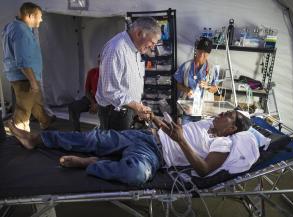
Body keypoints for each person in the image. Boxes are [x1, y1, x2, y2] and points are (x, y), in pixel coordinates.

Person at [8, 109, 253, 186]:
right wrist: (156, 119)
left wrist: (180, 141)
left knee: (135, 174)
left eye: (227, 115)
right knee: (94, 139)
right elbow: (175, 130)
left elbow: (202, 169)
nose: (220, 114)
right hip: (147, 135)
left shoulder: (224, 144)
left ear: (232, 129)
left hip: (155, 155)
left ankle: (92, 163)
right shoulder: (207, 121)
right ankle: (37, 139)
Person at [96, 17, 161, 131]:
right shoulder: (116, 49)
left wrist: (137, 107)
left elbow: (130, 83)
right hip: (115, 113)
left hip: (127, 109)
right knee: (116, 148)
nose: (153, 47)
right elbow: (110, 91)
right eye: (152, 42)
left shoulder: (135, 48)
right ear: (139, 33)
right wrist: (138, 107)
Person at [2, 2, 55, 132]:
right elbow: (23, 61)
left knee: (36, 103)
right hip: (24, 77)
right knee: (23, 110)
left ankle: (45, 122)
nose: (41, 20)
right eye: (40, 16)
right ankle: (20, 134)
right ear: (30, 16)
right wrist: (32, 81)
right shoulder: (20, 31)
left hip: (22, 75)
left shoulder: (13, 26)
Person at [174, 37, 219, 124]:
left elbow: (215, 89)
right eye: (200, 52)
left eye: (205, 53)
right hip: (187, 108)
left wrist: (208, 86)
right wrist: (186, 90)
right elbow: (178, 84)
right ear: (196, 50)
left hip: (204, 111)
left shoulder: (213, 69)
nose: (202, 55)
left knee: (200, 134)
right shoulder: (186, 66)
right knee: (185, 133)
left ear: (209, 54)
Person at [68, 56, 100, 131]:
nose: (100, 62)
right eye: (99, 61)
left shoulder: (110, 74)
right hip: (93, 100)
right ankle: (76, 133)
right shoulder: (92, 72)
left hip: (106, 103)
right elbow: (87, 91)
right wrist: (93, 103)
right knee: (73, 107)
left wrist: (98, 105)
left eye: (102, 61)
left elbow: (111, 96)